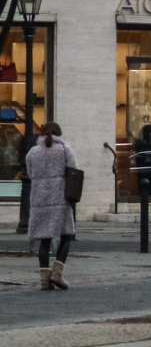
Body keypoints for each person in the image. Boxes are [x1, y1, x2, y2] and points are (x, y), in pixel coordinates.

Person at [25, 121, 77, 290]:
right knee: (66, 234)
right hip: (60, 198)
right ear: (58, 133)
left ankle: (45, 280)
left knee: (44, 240)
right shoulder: (64, 149)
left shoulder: (33, 152)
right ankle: (57, 273)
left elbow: (31, 174)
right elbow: (74, 171)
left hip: (40, 200)